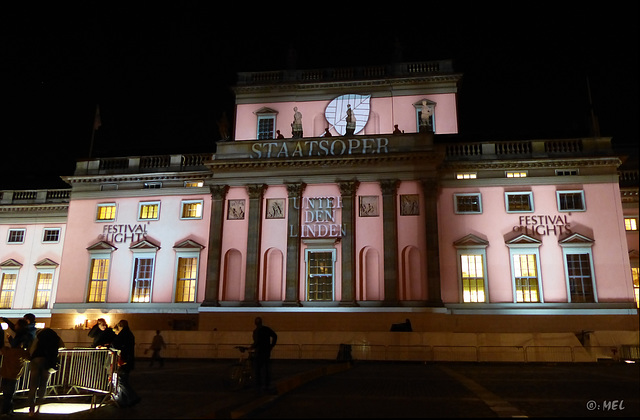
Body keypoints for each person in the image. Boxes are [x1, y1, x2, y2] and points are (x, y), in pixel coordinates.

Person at [27, 327, 65, 417]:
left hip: (36, 360)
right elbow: (63, 346)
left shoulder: (39, 337)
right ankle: (39, 408)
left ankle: (31, 410)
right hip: (48, 362)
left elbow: (32, 349)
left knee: (33, 386)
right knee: (43, 385)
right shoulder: (56, 337)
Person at [0, 324, 30, 416]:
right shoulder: (21, 353)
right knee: (9, 394)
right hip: (14, 376)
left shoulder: (7, 351)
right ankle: (6, 410)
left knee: (6, 394)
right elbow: (29, 358)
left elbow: (2, 350)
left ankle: (7, 410)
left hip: (4, 374)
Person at [111, 320, 140, 407]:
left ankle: (132, 397)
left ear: (120, 326)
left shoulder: (123, 334)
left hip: (124, 360)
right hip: (128, 360)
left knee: (121, 381)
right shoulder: (129, 334)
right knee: (123, 380)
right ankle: (122, 401)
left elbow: (115, 343)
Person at [251, 317, 277, 392]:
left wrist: (251, 347)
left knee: (257, 370)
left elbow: (256, 342)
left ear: (255, 323)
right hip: (266, 352)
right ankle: (266, 385)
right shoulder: (266, 329)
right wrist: (272, 345)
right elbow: (275, 336)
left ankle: (258, 385)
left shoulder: (256, 331)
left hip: (259, 352)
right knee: (266, 369)